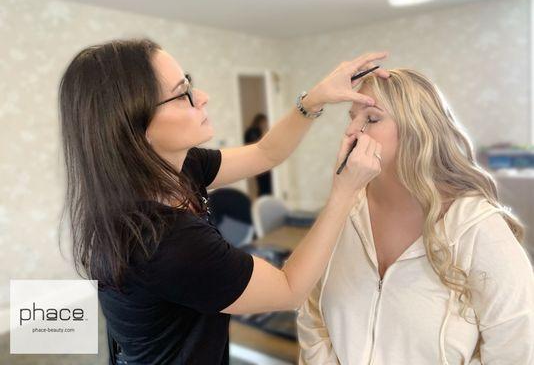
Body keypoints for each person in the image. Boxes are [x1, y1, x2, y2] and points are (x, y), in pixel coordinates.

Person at [57, 38, 389, 364]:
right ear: (135, 128)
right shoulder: (166, 243)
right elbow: (289, 289)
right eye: (182, 94)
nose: (201, 97)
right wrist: (345, 192)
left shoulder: (179, 167)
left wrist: (314, 99)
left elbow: (265, 152)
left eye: (190, 84)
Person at [297, 69, 534, 364]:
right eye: (351, 117)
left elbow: (515, 349)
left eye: (371, 118)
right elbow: (312, 309)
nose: (351, 131)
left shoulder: (478, 228)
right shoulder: (344, 209)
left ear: (418, 129)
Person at [244, 113, 272, 195]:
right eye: (264, 122)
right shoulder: (253, 131)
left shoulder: (252, 131)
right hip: (258, 162)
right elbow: (258, 145)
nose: (265, 124)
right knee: (263, 186)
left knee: (264, 186)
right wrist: (264, 132)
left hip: (260, 162)